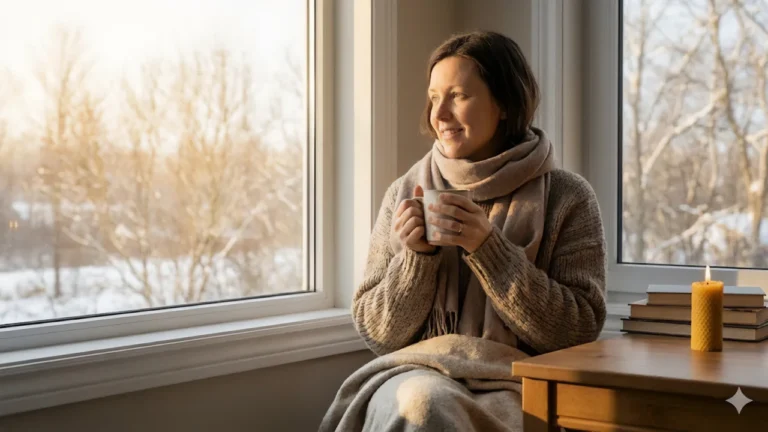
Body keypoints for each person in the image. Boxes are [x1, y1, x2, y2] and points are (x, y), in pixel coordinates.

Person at [321, 30, 606, 432]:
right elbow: (379, 335)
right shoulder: (404, 192)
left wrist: (488, 249)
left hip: (518, 383)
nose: (439, 114)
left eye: (457, 96)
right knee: (423, 404)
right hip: (414, 373)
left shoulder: (567, 197)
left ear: (504, 104)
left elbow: (578, 330)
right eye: (434, 97)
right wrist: (416, 259)